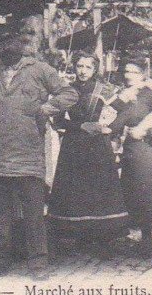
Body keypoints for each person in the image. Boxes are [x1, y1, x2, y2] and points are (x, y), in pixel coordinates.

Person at [0, 19, 79, 276]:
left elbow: (69, 94)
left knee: (33, 212)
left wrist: (46, 109)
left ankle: (38, 262)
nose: (5, 47)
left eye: (9, 41)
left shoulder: (39, 69)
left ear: (19, 42)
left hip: (28, 153)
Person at [47, 51, 129, 251]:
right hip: (73, 145)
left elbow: (125, 111)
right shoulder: (66, 90)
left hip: (97, 146)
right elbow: (57, 120)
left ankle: (102, 236)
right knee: (75, 190)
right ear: (74, 67)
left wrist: (110, 128)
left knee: (98, 189)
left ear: (95, 69)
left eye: (88, 67)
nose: (83, 71)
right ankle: (78, 234)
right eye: (79, 66)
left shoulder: (104, 89)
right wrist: (80, 126)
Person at [103, 55, 152, 256]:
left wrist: (143, 128)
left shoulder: (150, 94)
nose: (129, 75)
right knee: (132, 192)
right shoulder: (122, 94)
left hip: (145, 149)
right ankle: (139, 238)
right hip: (130, 149)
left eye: (134, 72)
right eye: (126, 71)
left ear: (143, 74)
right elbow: (113, 118)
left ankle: (147, 240)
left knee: (145, 192)